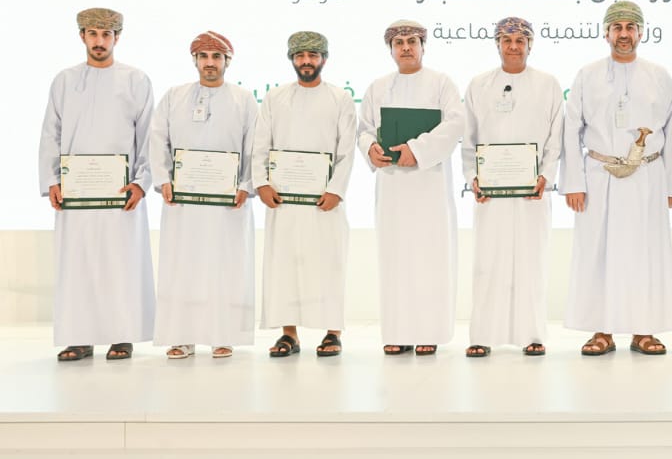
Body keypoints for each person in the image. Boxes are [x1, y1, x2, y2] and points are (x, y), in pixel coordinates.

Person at [561, 0, 672, 356]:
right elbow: (571, 129)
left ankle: (644, 331)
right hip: (599, 178)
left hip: (648, 179)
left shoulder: (659, 76)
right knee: (599, 254)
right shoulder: (587, 75)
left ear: (641, 33)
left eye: (630, 27)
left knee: (645, 254)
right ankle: (602, 331)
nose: (624, 34)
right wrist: (573, 183)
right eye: (617, 27)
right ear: (606, 33)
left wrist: (670, 185)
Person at [39, 8, 155, 362]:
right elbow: (51, 133)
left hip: (121, 194)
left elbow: (148, 136)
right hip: (76, 195)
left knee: (120, 263)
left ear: (117, 37)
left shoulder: (136, 80)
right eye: (93, 34)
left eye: (106, 35)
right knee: (78, 264)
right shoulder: (64, 81)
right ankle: (79, 337)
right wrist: (52, 180)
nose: (99, 41)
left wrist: (141, 182)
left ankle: (122, 335)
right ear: (82, 36)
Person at [357, 20, 464, 356]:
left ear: (422, 46)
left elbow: (456, 124)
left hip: (429, 186)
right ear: (390, 49)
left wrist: (416, 150)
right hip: (392, 188)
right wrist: (370, 148)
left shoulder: (441, 83)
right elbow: (364, 129)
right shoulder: (377, 87)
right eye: (399, 42)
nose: (405, 48)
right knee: (395, 257)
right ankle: (398, 332)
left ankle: (429, 331)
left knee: (430, 257)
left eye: (412, 42)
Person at [150, 31, 257, 359]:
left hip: (228, 204)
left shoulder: (243, 99)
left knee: (225, 266)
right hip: (183, 203)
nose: (210, 63)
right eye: (204, 57)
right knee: (182, 266)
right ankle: (180, 336)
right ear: (195, 60)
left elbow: (254, 146)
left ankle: (223, 335)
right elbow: (158, 139)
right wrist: (163, 179)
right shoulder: (174, 96)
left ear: (227, 61)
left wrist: (245, 184)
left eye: (216, 57)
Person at [462, 17, 564, 357]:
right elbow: (469, 138)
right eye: (506, 40)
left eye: (520, 40)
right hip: (491, 193)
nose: (513, 46)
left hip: (533, 192)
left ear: (530, 44)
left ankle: (532, 334)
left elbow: (555, 139)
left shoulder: (548, 84)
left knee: (531, 262)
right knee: (488, 262)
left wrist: (546, 176)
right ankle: (482, 335)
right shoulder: (479, 84)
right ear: (497, 44)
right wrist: (472, 177)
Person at [252, 31, 356, 358]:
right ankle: (289, 334)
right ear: (292, 59)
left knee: (328, 264)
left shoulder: (340, 98)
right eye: (300, 56)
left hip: (324, 201)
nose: (306, 61)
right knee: (285, 265)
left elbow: (346, 150)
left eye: (313, 55)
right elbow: (261, 144)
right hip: (283, 200)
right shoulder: (275, 98)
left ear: (324, 59)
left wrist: (336, 189)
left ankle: (332, 332)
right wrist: (261, 183)